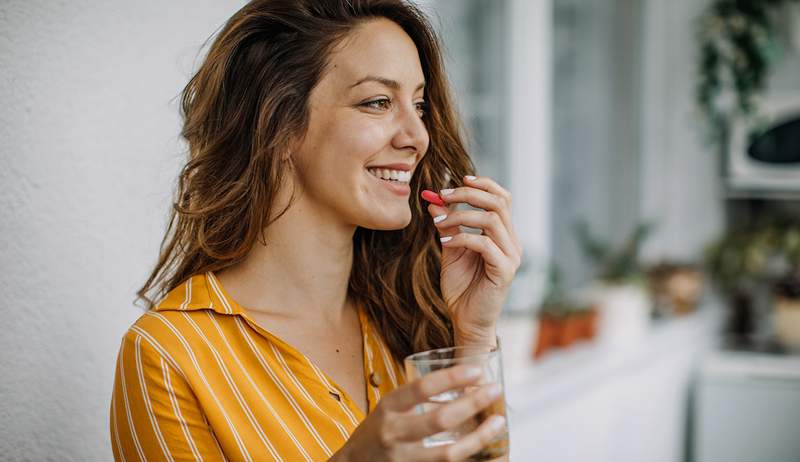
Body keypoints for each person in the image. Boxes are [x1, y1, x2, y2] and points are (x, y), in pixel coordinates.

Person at [109, 0, 522, 460]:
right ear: (279, 126)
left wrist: (474, 336)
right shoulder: (169, 357)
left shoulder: (408, 314)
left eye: (419, 104)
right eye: (378, 102)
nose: (417, 136)